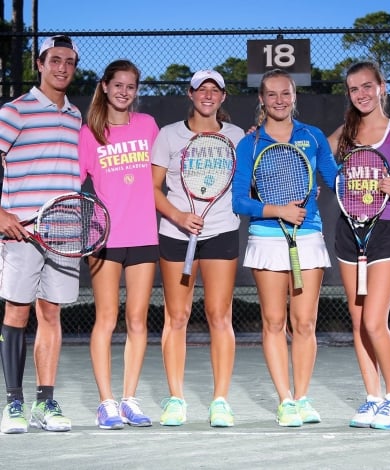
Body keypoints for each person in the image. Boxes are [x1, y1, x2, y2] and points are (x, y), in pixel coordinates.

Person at [232, 68, 337, 427]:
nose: (279, 100)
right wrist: (277, 210)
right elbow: (239, 202)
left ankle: (303, 397)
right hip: (266, 238)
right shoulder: (250, 143)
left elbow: (335, 179)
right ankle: (285, 401)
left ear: (295, 97)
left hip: (308, 236)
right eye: (272, 94)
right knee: (274, 321)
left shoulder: (314, 136)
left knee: (305, 322)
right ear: (261, 99)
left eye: (286, 93)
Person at [151, 70, 244, 427]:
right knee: (177, 317)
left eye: (214, 90)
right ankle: (176, 399)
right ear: (190, 94)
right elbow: (154, 188)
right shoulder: (168, 135)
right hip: (176, 234)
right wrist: (178, 215)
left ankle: (220, 400)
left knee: (220, 316)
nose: (208, 95)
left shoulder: (237, 137)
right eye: (201, 89)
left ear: (223, 97)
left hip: (221, 230)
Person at [0, 35, 81, 434]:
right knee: (16, 312)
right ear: (40, 63)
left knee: (51, 314)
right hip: (22, 234)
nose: (62, 67)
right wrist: (0, 213)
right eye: (55, 60)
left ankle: (44, 404)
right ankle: (13, 404)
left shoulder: (76, 116)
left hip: (65, 234)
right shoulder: (15, 111)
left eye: (69, 62)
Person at [328, 61, 390, 430]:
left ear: (382, 87)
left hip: (387, 229)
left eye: (367, 86)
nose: (361, 94)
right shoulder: (343, 135)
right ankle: (372, 398)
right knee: (360, 321)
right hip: (350, 229)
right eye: (353, 89)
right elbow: (307, 152)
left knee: (376, 321)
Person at [79, 60, 159, 430]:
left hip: (144, 236)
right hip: (105, 239)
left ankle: (129, 399)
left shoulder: (148, 127)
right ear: (105, 87)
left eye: (131, 86)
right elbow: (71, 183)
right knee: (106, 319)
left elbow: (169, 166)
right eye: (118, 85)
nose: (124, 92)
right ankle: (106, 403)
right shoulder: (90, 132)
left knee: (138, 320)